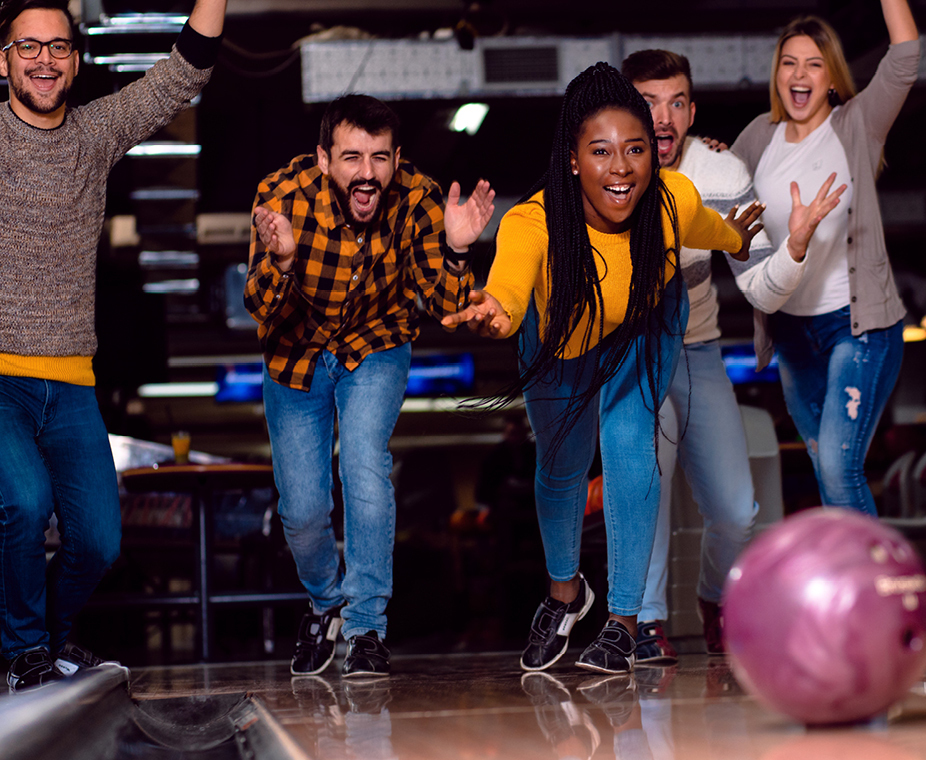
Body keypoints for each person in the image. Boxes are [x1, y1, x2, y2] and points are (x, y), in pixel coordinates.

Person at [442, 62, 763, 674]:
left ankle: (623, 623)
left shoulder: (674, 200)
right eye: (602, 151)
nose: (621, 168)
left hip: (644, 325)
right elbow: (507, 295)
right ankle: (565, 595)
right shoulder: (532, 222)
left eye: (636, 150)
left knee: (629, 450)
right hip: (558, 336)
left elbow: (717, 231)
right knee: (560, 469)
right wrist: (491, 309)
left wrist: (741, 241)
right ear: (572, 159)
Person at [0, 0, 227, 692]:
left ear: (76, 58)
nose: (45, 59)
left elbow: (184, 71)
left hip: (72, 380)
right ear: (2, 60)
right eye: (28, 47)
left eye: (59, 47)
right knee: (25, 504)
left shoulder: (95, 132)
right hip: (1, 377)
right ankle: (22, 651)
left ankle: (46, 641)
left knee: (100, 540)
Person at [245, 94, 494, 678]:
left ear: (396, 158)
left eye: (379, 159)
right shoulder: (280, 197)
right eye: (351, 157)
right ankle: (326, 603)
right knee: (303, 510)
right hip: (295, 353)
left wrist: (457, 249)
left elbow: (447, 304)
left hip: (376, 345)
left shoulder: (419, 197)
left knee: (364, 464)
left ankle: (365, 628)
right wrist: (281, 262)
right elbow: (261, 309)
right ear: (324, 157)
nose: (366, 174)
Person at [620, 49, 845, 662]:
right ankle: (645, 623)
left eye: (675, 103)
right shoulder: (602, 170)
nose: (661, 118)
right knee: (649, 488)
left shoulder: (718, 173)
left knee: (735, 509)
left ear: (691, 111)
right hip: (630, 358)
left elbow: (757, 285)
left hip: (697, 351)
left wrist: (793, 249)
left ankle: (715, 599)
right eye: (645, 103)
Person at [731, 4, 920, 515]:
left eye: (814, 64)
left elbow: (905, 55)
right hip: (792, 334)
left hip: (855, 327)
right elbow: (719, 196)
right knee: (821, 463)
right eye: (789, 62)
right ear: (777, 74)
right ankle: (850, 583)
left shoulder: (856, 123)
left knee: (840, 468)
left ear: (832, 76)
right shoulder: (756, 138)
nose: (799, 74)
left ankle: (870, 589)